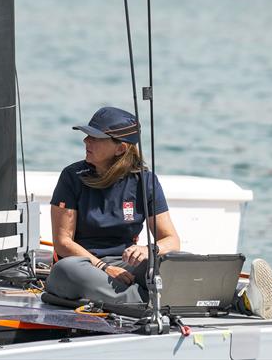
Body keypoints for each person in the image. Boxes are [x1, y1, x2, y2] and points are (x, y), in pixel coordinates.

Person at [45, 106, 180, 304]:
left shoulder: (145, 181)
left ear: (121, 148)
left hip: (128, 264)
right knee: (65, 271)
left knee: (180, 261)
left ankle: (129, 298)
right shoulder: (71, 177)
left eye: (95, 137)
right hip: (85, 265)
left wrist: (149, 250)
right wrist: (103, 268)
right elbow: (63, 243)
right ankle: (148, 301)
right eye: (87, 135)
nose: (86, 141)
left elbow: (172, 240)